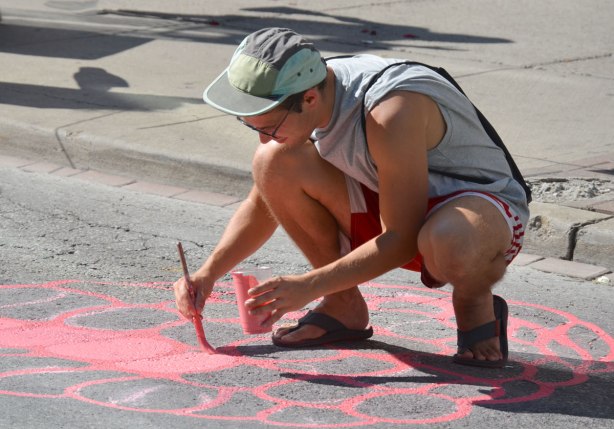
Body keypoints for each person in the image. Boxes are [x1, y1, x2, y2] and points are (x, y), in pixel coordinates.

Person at [174, 27, 530, 368]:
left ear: (309, 99)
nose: (264, 137)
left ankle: (475, 305)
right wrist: (207, 275)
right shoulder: (306, 94)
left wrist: (308, 286)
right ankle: (343, 305)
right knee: (272, 162)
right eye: (251, 126)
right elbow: (261, 204)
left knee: (447, 238)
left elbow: (401, 240)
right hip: (395, 206)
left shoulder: (391, 109)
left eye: (268, 128)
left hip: (481, 215)